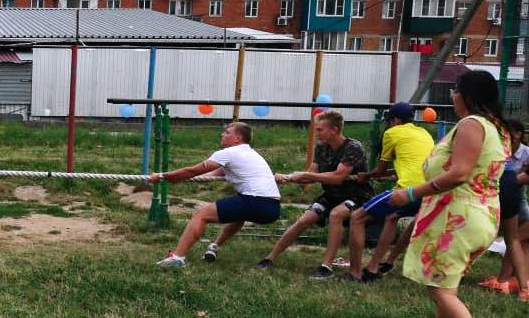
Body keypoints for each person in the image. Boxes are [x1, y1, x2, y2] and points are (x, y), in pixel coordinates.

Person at [391, 70, 508, 318]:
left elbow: (458, 173)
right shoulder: (495, 127)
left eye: (455, 90)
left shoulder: (471, 125)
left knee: (438, 288)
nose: (452, 96)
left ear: (467, 95)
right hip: (482, 214)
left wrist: (410, 194)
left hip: (459, 216)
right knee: (448, 282)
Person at [256, 111, 375, 279]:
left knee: (336, 214)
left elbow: (338, 177)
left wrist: (307, 175)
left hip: (358, 196)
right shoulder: (321, 147)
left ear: (334, 130)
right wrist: (288, 177)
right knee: (304, 219)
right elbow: (311, 173)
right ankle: (270, 258)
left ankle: (326, 267)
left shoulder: (353, 147)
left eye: (320, 129)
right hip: (332, 195)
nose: (316, 133)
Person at [148, 121, 281, 267]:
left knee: (201, 215)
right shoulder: (250, 154)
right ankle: (214, 247)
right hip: (273, 209)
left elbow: (193, 170)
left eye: (227, 132)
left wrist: (162, 176)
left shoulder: (229, 153)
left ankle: (178, 258)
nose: (222, 134)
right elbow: (208, 174)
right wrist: (178, 177)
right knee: (239, 215)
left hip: (255, 201)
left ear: (238, 138)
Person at [345, 102, 436, 282]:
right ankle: (378, 266)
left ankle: (354, 274)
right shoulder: (424, 133)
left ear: (395, 120)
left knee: (357, 217)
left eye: (389, 121)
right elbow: (415, 165)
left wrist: (366, 176)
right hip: (431, 189)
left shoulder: (392, 133)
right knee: (392, 217)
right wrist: (390, 176)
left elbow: (380, 170)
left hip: (408, 190)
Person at [477, 118, 529, 297]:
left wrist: (508, 181)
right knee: (517, 240)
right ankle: (516, 283)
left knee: (514, 239)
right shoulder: (500, 149)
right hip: (509, 197)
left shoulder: (524, 153)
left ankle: (504, 282)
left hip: (512, 198)